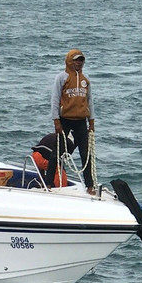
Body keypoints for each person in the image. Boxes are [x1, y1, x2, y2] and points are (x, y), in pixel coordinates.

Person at [51, 49, 96, 193]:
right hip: (65, 120)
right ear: (70, 60)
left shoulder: (85, 80)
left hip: (81, 121)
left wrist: (92, 122)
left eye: (81, 60)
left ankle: (90, 186)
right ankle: (48, 183)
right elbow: (55, 100)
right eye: (76, 60)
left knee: (85, 153)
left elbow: (89, 102)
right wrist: (56, 121)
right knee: (58, 153)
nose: (78, 63)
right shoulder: (61, 78)